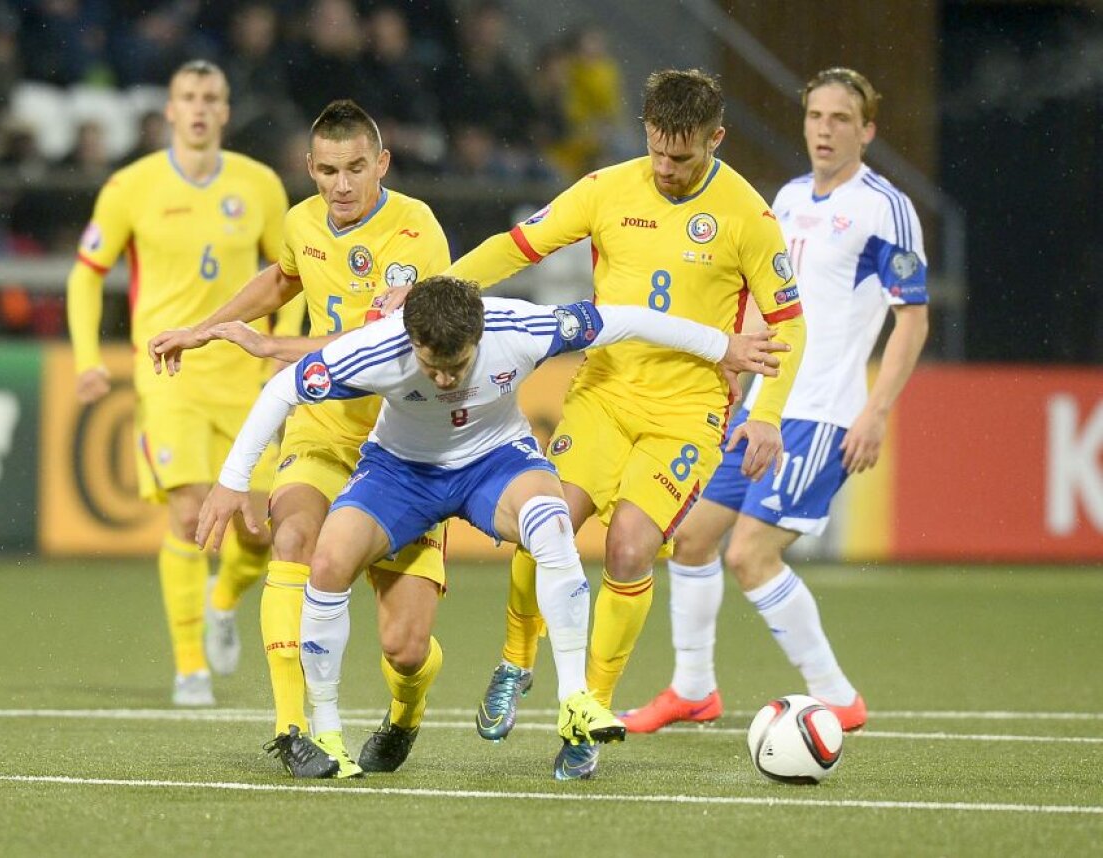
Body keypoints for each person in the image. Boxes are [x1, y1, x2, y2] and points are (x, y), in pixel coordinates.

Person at [195, 275, 789, 780]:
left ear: (479, 337)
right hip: (401, 473)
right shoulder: (378, 350)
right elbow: (282, 388)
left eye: (458, 365)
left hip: (494, 462)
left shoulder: (520, 329)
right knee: (327, 565)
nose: (446, 379)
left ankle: (575, 699)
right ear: (411, 341)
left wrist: (722, 346)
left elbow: (627, 319)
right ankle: (326, 733)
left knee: (553, 524)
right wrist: (232, 479)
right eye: (433, 366)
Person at [405, 69, 808, 774]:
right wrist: (438, 290)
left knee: (627, 552)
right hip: (604, 390)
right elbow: (520, 247)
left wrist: (768, 415)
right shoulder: (605, 189)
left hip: (687, 413)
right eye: (657, 150)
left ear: (716, 139)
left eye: (682, 158)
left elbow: (789, 325)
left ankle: (585, 712)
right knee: (545, 518)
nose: (666, 168)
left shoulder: (749, 215)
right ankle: (515, 661)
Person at [148, 100, 451, 779]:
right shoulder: (302, 221)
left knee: (405, 648)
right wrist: (205, 327)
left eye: (353, 169)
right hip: (320, 432)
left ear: (382, 163)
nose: (340, 186)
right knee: (292, 539)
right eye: (325, 171)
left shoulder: (417, 232)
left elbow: (379, 345)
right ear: (309, 169)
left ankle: (407, 710)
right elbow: (283, 276)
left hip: (406, 447)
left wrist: (270, 345)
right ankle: (293, 729)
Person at [622, 68, 929, 734]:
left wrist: (875, 411)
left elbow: (913, 319)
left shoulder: (884, 209)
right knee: (692, 540)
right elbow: (771, 304)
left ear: (868, 130)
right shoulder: (786, 200)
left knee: (749, 555)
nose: (824, 129)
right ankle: (693, 689)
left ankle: (837, 695)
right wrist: (738, 373)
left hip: (824, 413)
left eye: (841, 119)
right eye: (816, 115)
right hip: (764, 405)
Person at [66, 60, 289, 707]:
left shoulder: (260, 185)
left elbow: (289, 275)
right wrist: (87, 358)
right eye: (187, 97)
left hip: (245, 374)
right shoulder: (129, 186)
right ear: (169, 109)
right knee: (191, 512)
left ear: (225, 110)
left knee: (262, 527)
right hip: (168, 373)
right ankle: (190, 666)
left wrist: (279, 351)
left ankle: (223, 601)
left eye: (211, 98)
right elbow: (87, 272)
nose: (198, 108)